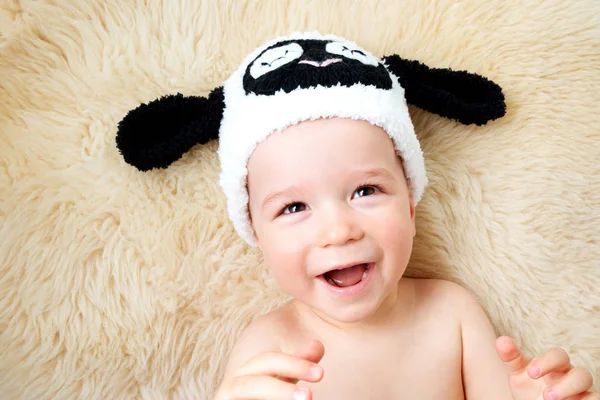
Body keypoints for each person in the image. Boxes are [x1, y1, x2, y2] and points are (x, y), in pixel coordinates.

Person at [115, 32, 598, 399]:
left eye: (366, 190)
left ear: (410, 203)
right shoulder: (270, 347)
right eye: (294, 207)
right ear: (256, 234)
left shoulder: (450, 313)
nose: (339, 229)